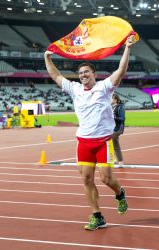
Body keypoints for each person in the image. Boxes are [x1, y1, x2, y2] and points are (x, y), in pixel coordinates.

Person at [44, 35, 135, 230]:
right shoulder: (75, 89)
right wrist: (47, 58)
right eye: (80, 72)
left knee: (106, 179)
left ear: (94, 74)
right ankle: (97, 215)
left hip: (103, 142)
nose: (83, 75)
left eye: (86, 72)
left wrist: (127, 48)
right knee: (86, 179)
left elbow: (121, 70)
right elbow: (56, 76)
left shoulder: (105, 88)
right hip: (84, 142)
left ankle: (120, 194)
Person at [112, 93, 125, 168]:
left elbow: (122, 118)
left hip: (118, 128)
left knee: (115, 145)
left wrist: (114, 117)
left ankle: (120, 162)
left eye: (111, 98)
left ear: (115, 99)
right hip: (112, 128)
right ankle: (114, 159)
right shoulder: (112, 107)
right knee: (112, 143)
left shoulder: (120, 107)